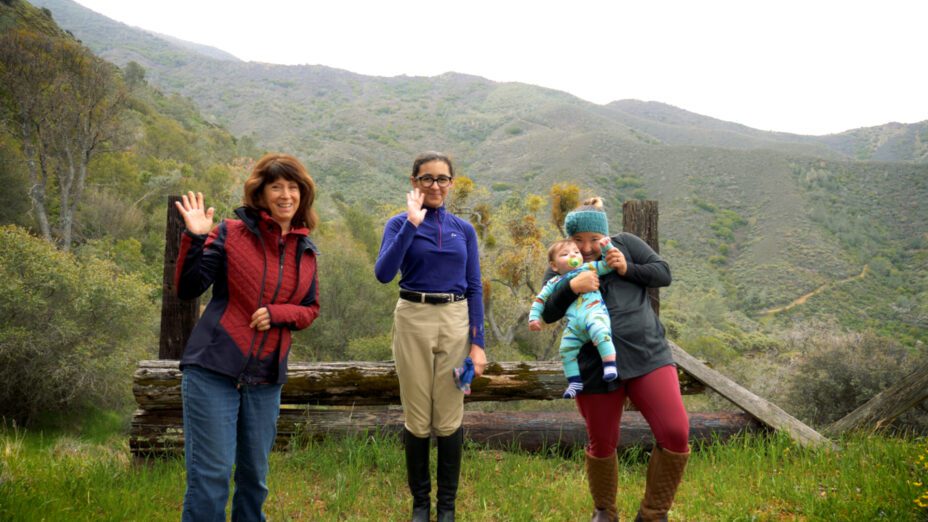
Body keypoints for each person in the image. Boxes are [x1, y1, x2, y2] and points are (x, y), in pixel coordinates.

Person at [174, 153, 321, 521]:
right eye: (276, 187)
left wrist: (278, 313)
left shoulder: (306, 251)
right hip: (213, 367)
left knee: (255, 479)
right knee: (212, 477)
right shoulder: (230, 233)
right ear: (261, 193)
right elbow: (189, 287)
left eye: (293, 187)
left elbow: (310, 309)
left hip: (266, 377)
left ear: (303, 195)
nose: (286, 195)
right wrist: (193, 237)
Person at [539, 197, 690, 522]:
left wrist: (626, 268)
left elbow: (663, 273)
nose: (587, 247)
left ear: (605, 234)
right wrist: (571, 288)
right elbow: (547, 311)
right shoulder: (564, 260)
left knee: (676, 432)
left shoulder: (626, 246)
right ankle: (605, 511)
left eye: (594, 239)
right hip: (594, 368)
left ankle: (653, 513)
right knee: (602, 442)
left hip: (647, 354)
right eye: (579, 240)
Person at [374, 151, 487, 522]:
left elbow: (474, 287)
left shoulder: (463, 229)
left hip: (455, 320)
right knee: (418, 415)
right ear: (414, 182)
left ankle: (447, 507)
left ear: (451, 183)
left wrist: (478, 343)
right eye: (427, 178)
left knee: (450, 415)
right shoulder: (398, 224)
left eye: (442, 179)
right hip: (412, 316)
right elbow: (383, 273)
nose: (435, 185)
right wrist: (411, 223)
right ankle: (421, 504)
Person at [528, 237, 619, 398]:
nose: (573, 256)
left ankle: (610, 364)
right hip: (575, 326)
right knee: (565, 349)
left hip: (594, 314)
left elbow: (607, 265)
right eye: (565, 254)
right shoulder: (554, 283)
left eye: (576, 252)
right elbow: (540, 300)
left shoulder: (588, 268)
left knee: (601, 331)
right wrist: (534, 318)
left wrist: (606, 248)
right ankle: (574, 381)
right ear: (554, 266)